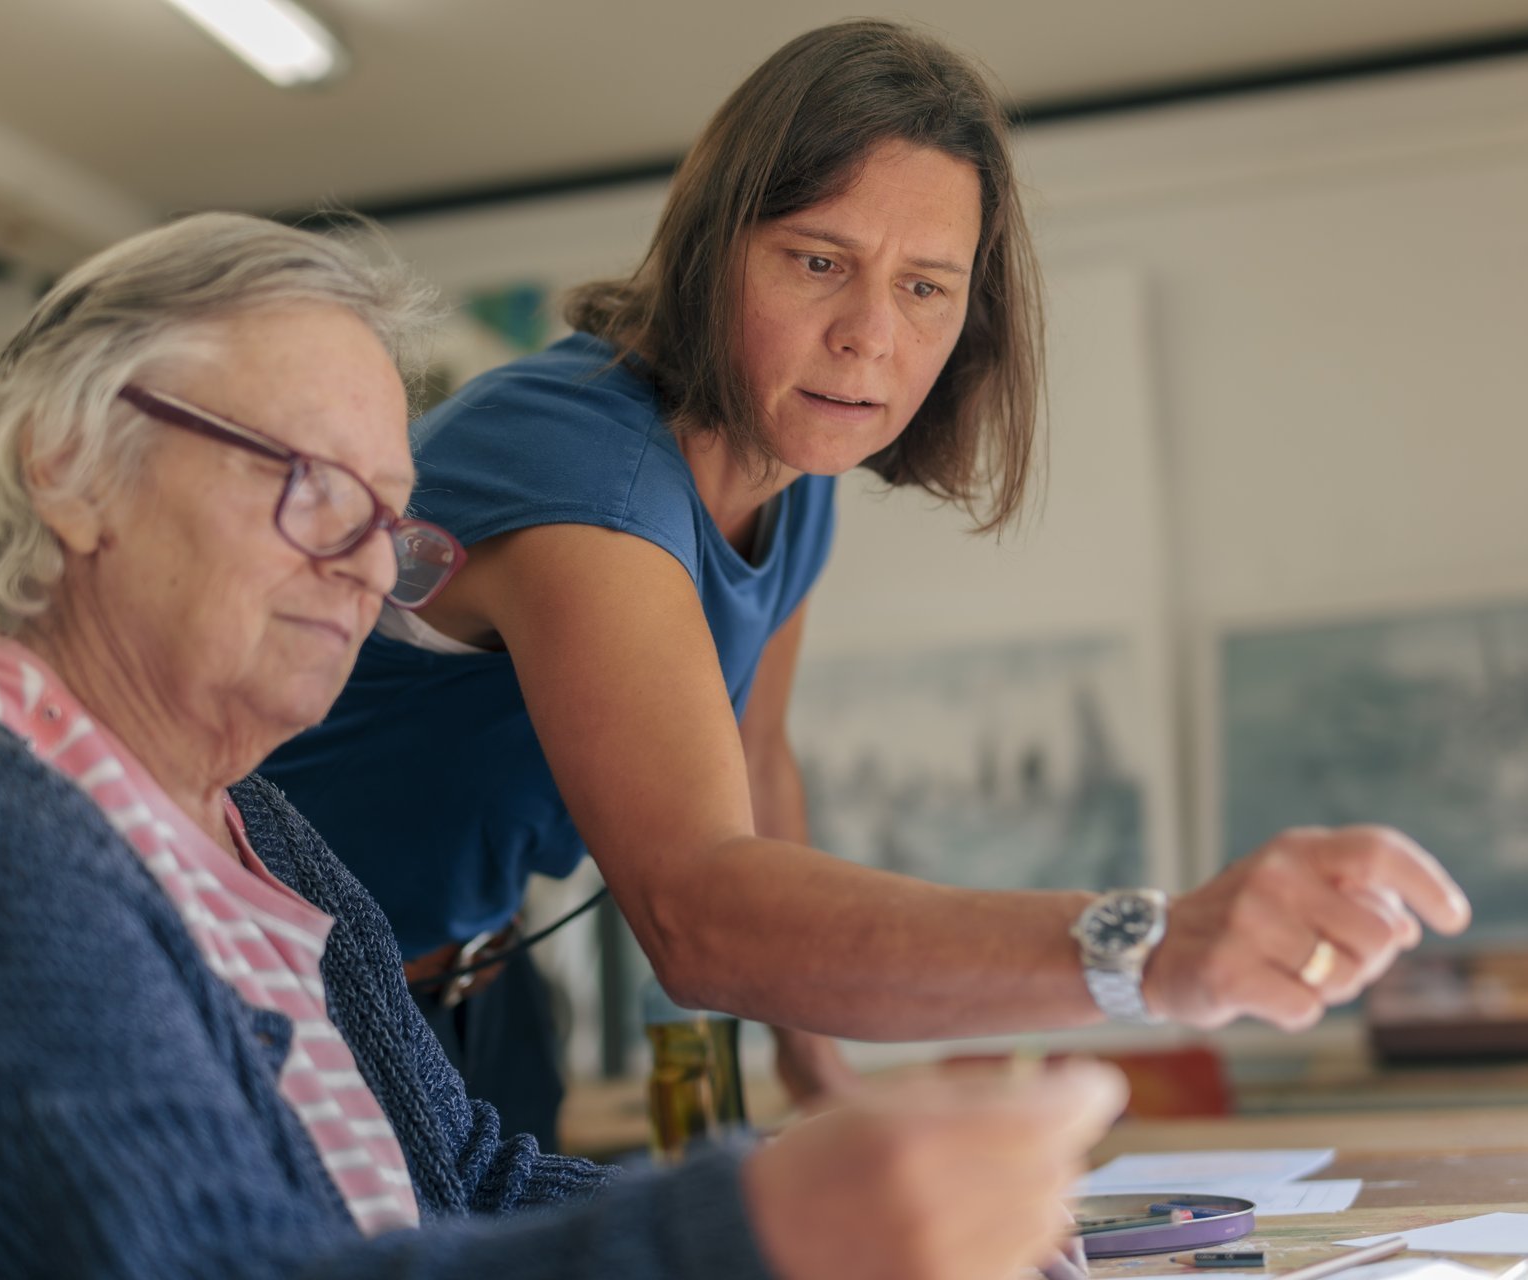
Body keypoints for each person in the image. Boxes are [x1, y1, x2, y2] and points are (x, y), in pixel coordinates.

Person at [0, 209, 1132, 1280]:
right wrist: (764, 1236)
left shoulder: (263, 836)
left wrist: (815, 1194)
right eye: (313, 487)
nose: (361, 572)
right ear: (68, 465)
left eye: (390, 523)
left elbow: (464, 1182)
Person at [262, 15, 1473, 1143]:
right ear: (707, 250)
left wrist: (817, 1067)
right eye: (817, 261)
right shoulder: (580, 475)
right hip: (281, 998)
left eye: (924, 286)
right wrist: (1148, 946)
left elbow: (756, 760)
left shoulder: (793, 459)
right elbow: (697, 915)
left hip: (475, 981)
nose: (870, 337)